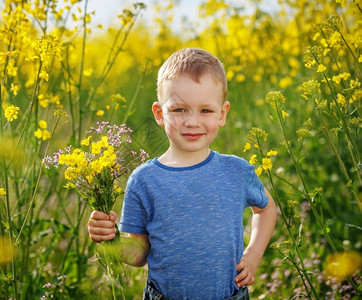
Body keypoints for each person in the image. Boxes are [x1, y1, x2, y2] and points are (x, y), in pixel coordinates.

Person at [88, 48, 277, 300]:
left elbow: (266, 209)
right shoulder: (144, 180)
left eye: (205, 111)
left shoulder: (237, 171)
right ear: (159, 114)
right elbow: (139, 253)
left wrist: (253, 256)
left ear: (222, 114)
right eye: (179, 110)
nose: (192, 122)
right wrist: (110, 239)